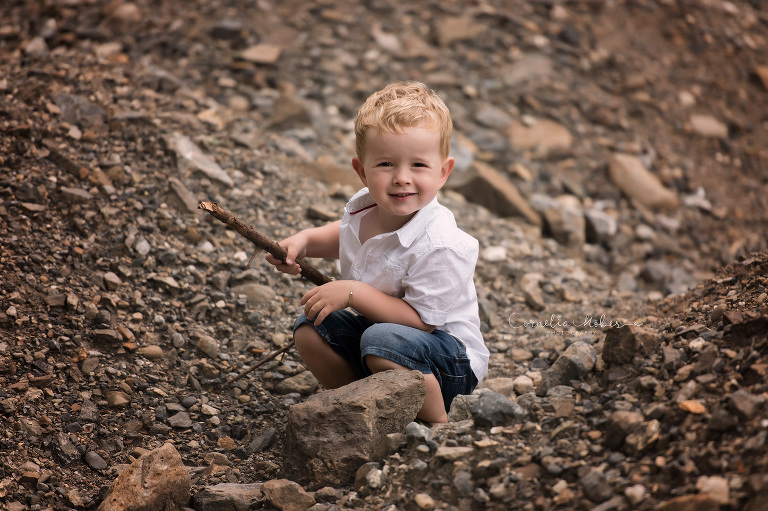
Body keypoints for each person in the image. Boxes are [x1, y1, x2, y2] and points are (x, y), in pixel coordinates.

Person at [266, 81, 488, 424]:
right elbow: (346, 237)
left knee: (382, 338)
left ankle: (435, 426)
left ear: (443, 172)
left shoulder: (442, 243)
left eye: (418, 165)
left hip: (446, 363)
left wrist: (354, 293)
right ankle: (359, 408)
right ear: (361, 171)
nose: (401, 178)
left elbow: (422, 322)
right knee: (311, 325)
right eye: (385, 164)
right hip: (382, 350)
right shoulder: (365, 209)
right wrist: (305, 241)